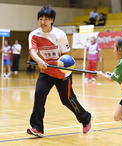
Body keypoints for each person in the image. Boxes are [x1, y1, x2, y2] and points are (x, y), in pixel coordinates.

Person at [27, 6, 92, 137]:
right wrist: (39, 60)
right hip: (45, 71)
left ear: (52, 20)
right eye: (40, 19)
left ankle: (85, 118)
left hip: (62, 73)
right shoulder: (34, 34)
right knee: (39, 95)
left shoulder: (60, 35)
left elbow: (66, 55)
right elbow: (32, 51)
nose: (42, 22)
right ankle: (37, 127)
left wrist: (63, 67)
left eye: (46, 19)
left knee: (67, 100)